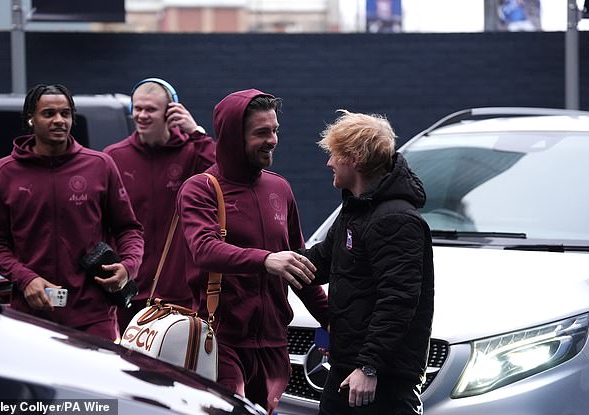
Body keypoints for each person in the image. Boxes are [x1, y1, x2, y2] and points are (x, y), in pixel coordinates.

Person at [176, 89, 328, 414]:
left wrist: (333, 322)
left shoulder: (280, 188)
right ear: (233, 136)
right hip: (221, 340)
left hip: (274, 343)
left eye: (275, 130)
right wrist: (266, 260)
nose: (273, 140)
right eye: (262, 132)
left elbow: (297, 267)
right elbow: (204, 249)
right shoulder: (200, 188)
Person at [0, 84, 144, 341]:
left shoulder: (100, 165)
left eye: (65, 113)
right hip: (32, 314)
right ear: (30, 119)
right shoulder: (3, 172)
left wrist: (128, 267)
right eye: (49, 114)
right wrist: (25, 279)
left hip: (93, 314)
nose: (59, 120)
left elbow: (128, 229)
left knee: (96, 381)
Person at [300, 110, 434, 414]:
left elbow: (398, 300)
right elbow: (320, 262)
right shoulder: (355, 210)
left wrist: (369, 366)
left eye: (335, 154)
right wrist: (265, 261)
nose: (329, 162)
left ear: (356, 158)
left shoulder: (396, 219)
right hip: (346, 368)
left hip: (379, 380)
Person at [104, 78, 215, 332]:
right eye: (137, 108)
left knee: (175, 367)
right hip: (128, 287)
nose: (141, 115)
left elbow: (223, 180)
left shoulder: (192, 151)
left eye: (150, 109)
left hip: (179, 291)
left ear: (171, 112)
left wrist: (197, 133)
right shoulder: (114, 156)